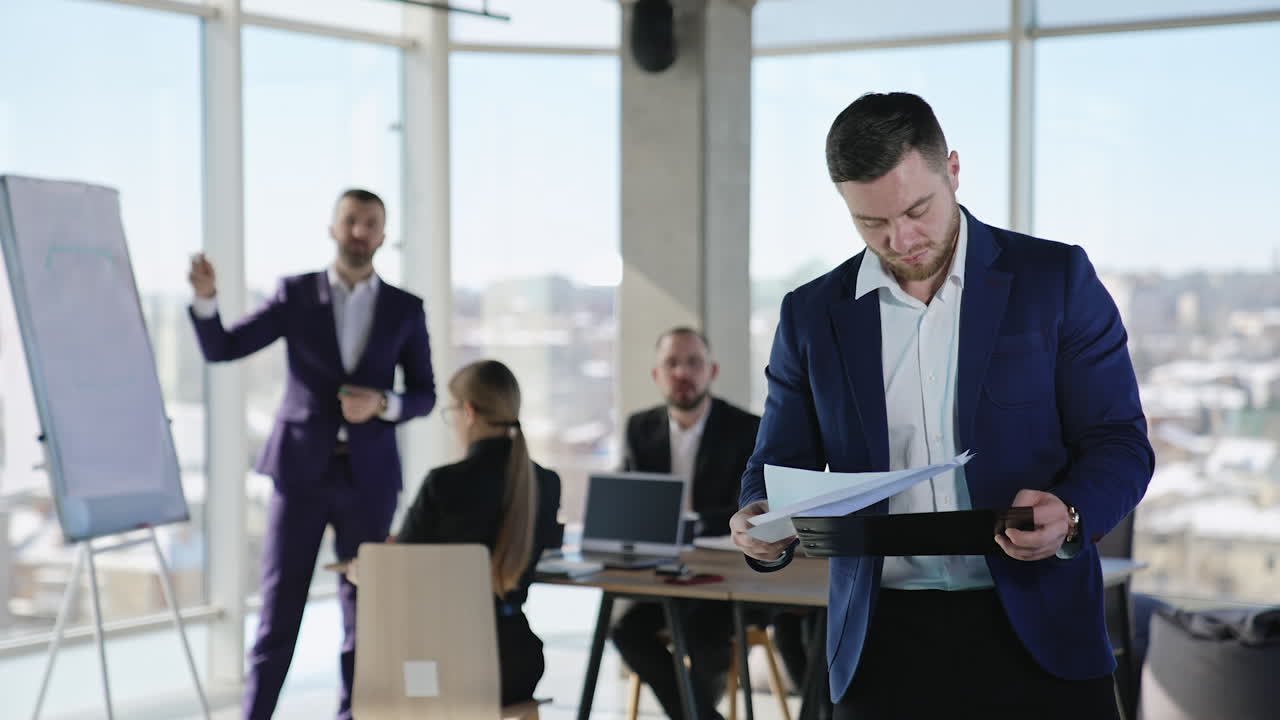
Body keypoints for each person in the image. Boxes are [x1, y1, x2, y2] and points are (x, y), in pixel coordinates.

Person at [730, 92, 1153, 719]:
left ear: (952, 170)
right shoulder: (811, 316)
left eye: (917, 209)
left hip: (1039, 631)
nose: (901, 239)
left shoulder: (1055, 280)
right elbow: (775, 465)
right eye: (871, 223)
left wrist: (1069, 511)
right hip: (880, 644)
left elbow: (1120, 442)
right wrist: (758, 522)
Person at [187, 188, 435, 720]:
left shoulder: (405, 308)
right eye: (351, 221)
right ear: (332, 227)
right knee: (279, 613)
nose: (360, 232)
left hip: (369, 479)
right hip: (299, 473)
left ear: (384, 235)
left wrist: (384, 403)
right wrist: (207, 300)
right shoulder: (295, 294)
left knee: (366, 617)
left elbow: (425, 394)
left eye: (371, 223)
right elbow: (223, 348)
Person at [610, 327, 760, 720]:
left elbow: (746, 507)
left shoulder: (745, 428)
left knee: (703, 637)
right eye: (671, 363)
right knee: (625, 630)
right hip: (663, 574)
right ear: (656, 375)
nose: (682, 372)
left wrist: (685, 524)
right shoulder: (639, 428)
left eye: (693, 362)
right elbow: (631, 501)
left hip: (726, 576)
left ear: (712, 370)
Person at [392, 359, 562, 705]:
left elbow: (398, 571)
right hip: (519, 662)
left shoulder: (444, 483)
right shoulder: (546, 482)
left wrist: (364, 569)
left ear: (467, 412)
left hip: (453, 663)